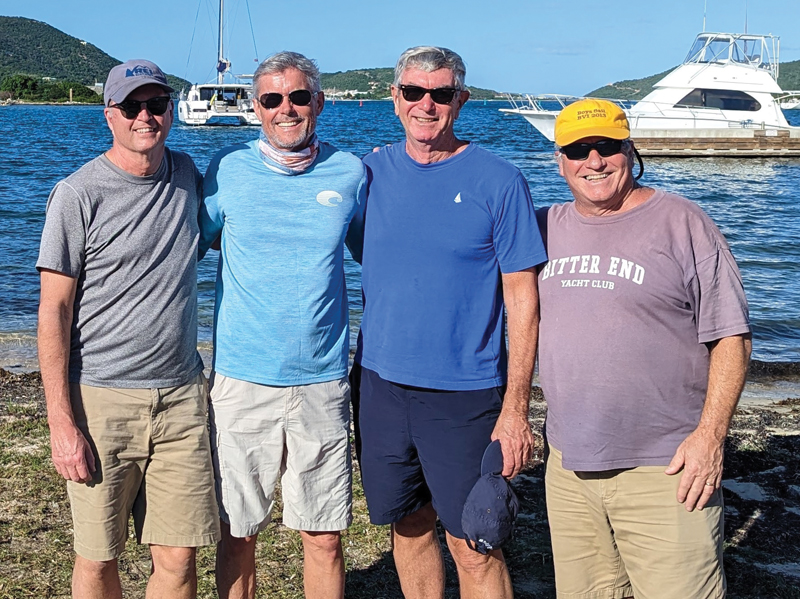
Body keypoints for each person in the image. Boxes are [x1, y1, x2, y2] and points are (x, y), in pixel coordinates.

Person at [537, 98, 752, 599]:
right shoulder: (544, 226)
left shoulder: (683, 221)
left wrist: (710, 438)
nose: (594, 161)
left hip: (667, 467)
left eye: (607, 146)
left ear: (631, 150)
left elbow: (731, 337)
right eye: (578, 150)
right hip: (569, 466)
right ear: (559, 160)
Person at [353, 46, 547, 599]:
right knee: (408, 527)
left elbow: (523, 300)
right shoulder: (369, 174)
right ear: (395, 99)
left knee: (475, 543)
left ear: (460, 100)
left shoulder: (500, 181)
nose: (426, 104)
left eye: (440, 93)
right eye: (413, 92)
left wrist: (516, 409)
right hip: (380, 386)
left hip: (466, 396)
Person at [36, 59, 219, 599]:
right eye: (132, 106)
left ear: (172, 112)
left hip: (183, 398)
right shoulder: (78, 194)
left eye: (157, 104)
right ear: (109, 115)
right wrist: (61, 423)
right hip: (100, 400)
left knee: (181, 559)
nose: (146, 116)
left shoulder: (187, 175)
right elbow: (54, 314)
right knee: (97, 559)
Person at [199, 51, 366, 599]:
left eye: (298, 97)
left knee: (323, 537)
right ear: (256, 107)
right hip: (242, 383)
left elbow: (382, 258)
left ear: (318, 102)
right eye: (272, 99)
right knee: (237, 533)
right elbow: (181, 249)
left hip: (321, 383)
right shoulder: (227, 169)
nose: (286, 109)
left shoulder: (350, 172)